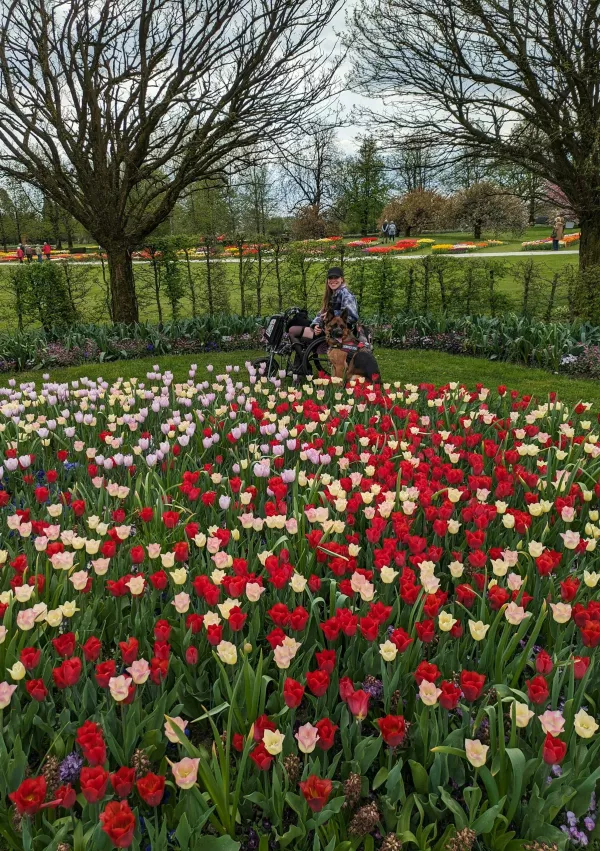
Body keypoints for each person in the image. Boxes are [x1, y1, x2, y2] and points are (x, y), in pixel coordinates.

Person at [288, 267, 363, 373]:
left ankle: (303, 366)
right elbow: (320, 314)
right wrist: (315, 325)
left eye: (336, 277)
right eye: (330, 278)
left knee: (294, 331)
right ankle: (301, 366)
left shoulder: (346, 295)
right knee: (293, 330)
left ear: (342, 279)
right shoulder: (331, 294)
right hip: (325, 330)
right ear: (327, 280)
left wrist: (331, 315)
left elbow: (352, 317)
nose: (333, 280)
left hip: (337, 333)